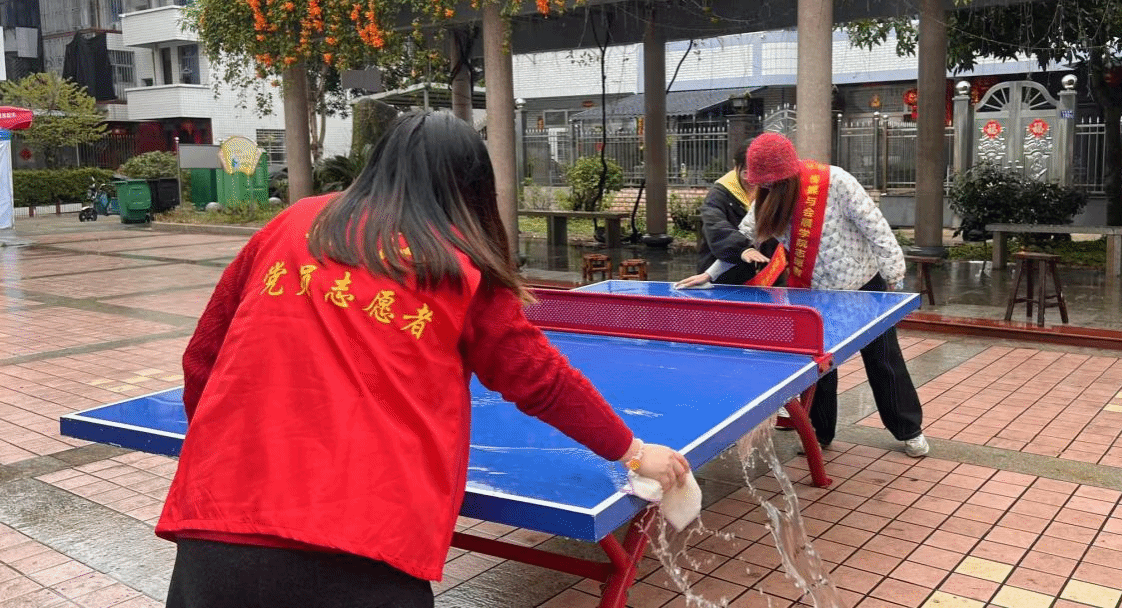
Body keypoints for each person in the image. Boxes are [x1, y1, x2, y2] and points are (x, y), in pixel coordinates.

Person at [156, 111, 690, 608]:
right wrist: (634, 451)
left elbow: (202, 359)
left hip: (217, 532)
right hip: (367, 544)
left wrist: (230, 456)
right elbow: (541, 380)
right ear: (473, 188)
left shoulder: (291, 224)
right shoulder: (458, 262)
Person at [677, 132, 928, 458]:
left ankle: (909, 429)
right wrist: (710, 274)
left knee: (883, 360)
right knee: (820, 368)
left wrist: (893, 276)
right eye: (762, 185)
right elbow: (744, 237)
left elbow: (876, 229)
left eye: (771, 184)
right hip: (815, 294)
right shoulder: (767, 198)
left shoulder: (837, 182)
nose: (766, 190)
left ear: (787, 174)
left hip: (863, 286)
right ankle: (820, 434)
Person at [695, 138, 785, 286]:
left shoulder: (771, 191)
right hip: (726, 278)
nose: (751, 180)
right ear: (735, 165)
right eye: (746, 172)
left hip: (768, 275)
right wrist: (743, 249)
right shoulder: (719, 195)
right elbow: (716, 228)